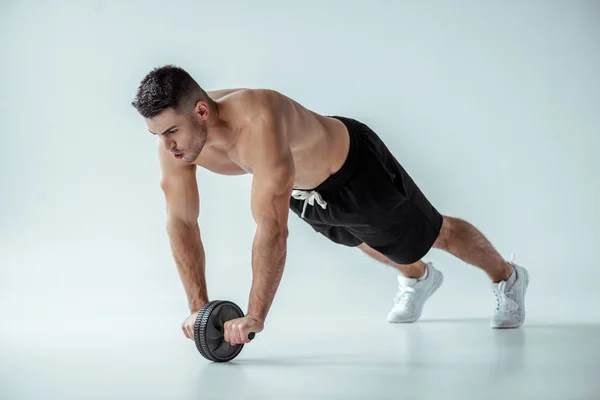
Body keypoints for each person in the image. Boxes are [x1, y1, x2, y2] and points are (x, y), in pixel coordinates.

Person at [131, 65, 529, 346]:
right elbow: (182, 222)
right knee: (359, 238)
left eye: (170, 132)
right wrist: (200, 312)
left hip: (353, 167)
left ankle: (507, 277)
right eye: (156, 135)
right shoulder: (177, 146)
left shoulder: (257, 120)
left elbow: (271, 228)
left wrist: (255, 316)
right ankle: (419, 278)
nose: (166, 146)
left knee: (432, 233)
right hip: (306, 190)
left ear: (201, 111)